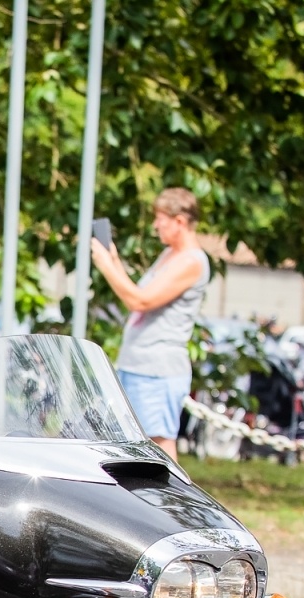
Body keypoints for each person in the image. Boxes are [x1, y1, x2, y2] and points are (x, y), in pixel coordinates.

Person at [90, 187, 210, 459]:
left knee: (159, 445)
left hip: (158, 370)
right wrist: (115, 261)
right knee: (131, 445)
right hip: (137, 364)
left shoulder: (192, 262)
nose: (156, 226)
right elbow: (137, 293)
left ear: (179, 221)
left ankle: (171, 490)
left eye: (160, 219)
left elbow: (140, 301)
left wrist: (106, 266)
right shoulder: (170, 254)